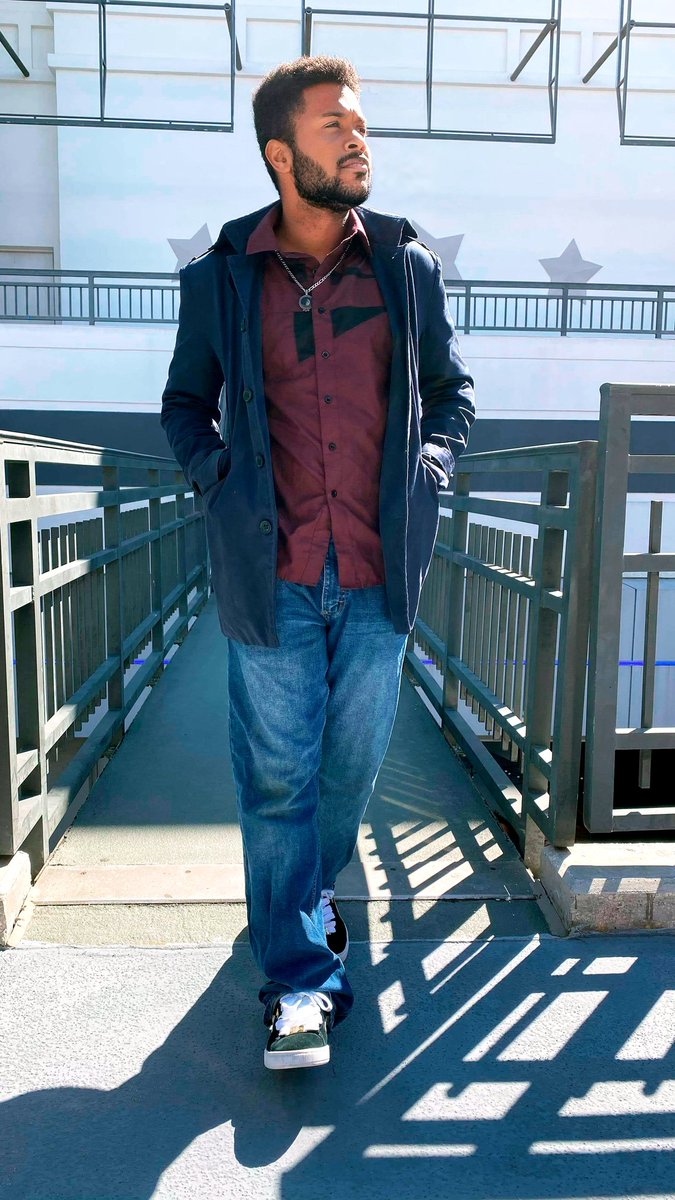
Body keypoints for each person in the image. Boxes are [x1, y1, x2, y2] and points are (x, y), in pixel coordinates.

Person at [160, 54, 475, 1070]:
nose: (357, 139)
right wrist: (216, 478)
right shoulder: (221, 279)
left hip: (381, 572)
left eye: (360, 124)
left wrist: (431, 466)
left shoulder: (406, 270)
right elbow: (184, 403)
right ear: (280, 153)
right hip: (274, 572)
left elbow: (451, 392)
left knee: (346, 771)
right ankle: (298, 982)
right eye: (335, 125)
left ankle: (297, 898)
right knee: (278, 778)